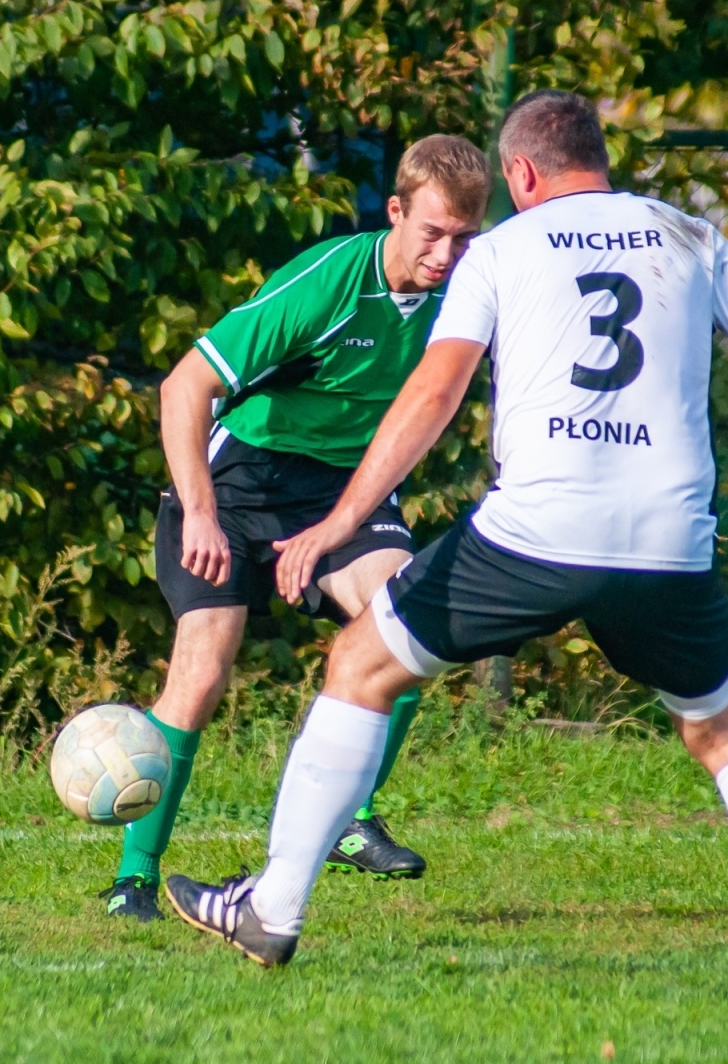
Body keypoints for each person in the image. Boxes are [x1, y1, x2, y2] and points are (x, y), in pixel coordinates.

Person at [164, 90, 728, 980]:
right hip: (668, 543)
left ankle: (272, 908)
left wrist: (341, 520)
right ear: (600, 160)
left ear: (520, 173)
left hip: (533, 536)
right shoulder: (691, 235)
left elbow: (434, 393)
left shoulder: (500, 250)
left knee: (360, 666)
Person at [102, 135, 492, 922]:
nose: (446, 255)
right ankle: (133, 880)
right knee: (203, 670)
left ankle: (351, 819)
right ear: (395, 212)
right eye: (431, 233)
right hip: (236, 480)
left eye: (463, 237)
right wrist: (203, 513)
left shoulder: (470, 294)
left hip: (339, 490)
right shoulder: (328, 282)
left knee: (410, 626)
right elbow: (185, 387)